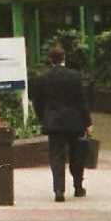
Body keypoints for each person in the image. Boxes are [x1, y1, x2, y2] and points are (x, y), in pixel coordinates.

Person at [30, 47, 93, 202]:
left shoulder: (43, 78)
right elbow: (82, 101)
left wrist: (43, 118)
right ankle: (78, 186)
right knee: (76, 154)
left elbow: (37, 102)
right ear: (64, 58)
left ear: (50, 60)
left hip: (54, 122)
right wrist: (88, 122)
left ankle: (59, 190)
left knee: (56, 156)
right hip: (74, 121)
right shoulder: (75, 76)